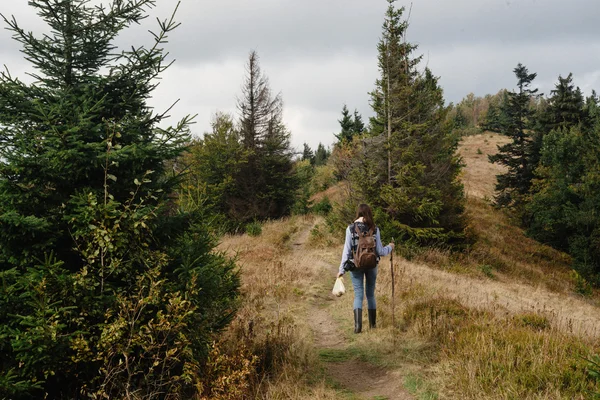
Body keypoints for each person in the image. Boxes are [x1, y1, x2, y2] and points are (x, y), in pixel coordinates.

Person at [337, 204, 394, 333]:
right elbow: (380, 251)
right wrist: (390, 247)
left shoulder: (350, 229)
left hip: (355, 265)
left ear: (358, 213)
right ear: (369, 213)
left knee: (358, 295)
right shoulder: (374, 228)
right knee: (370, 295)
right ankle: (372, 326)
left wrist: (341, 270)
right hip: (372, 265)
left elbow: (346, 250)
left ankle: (358, 327)